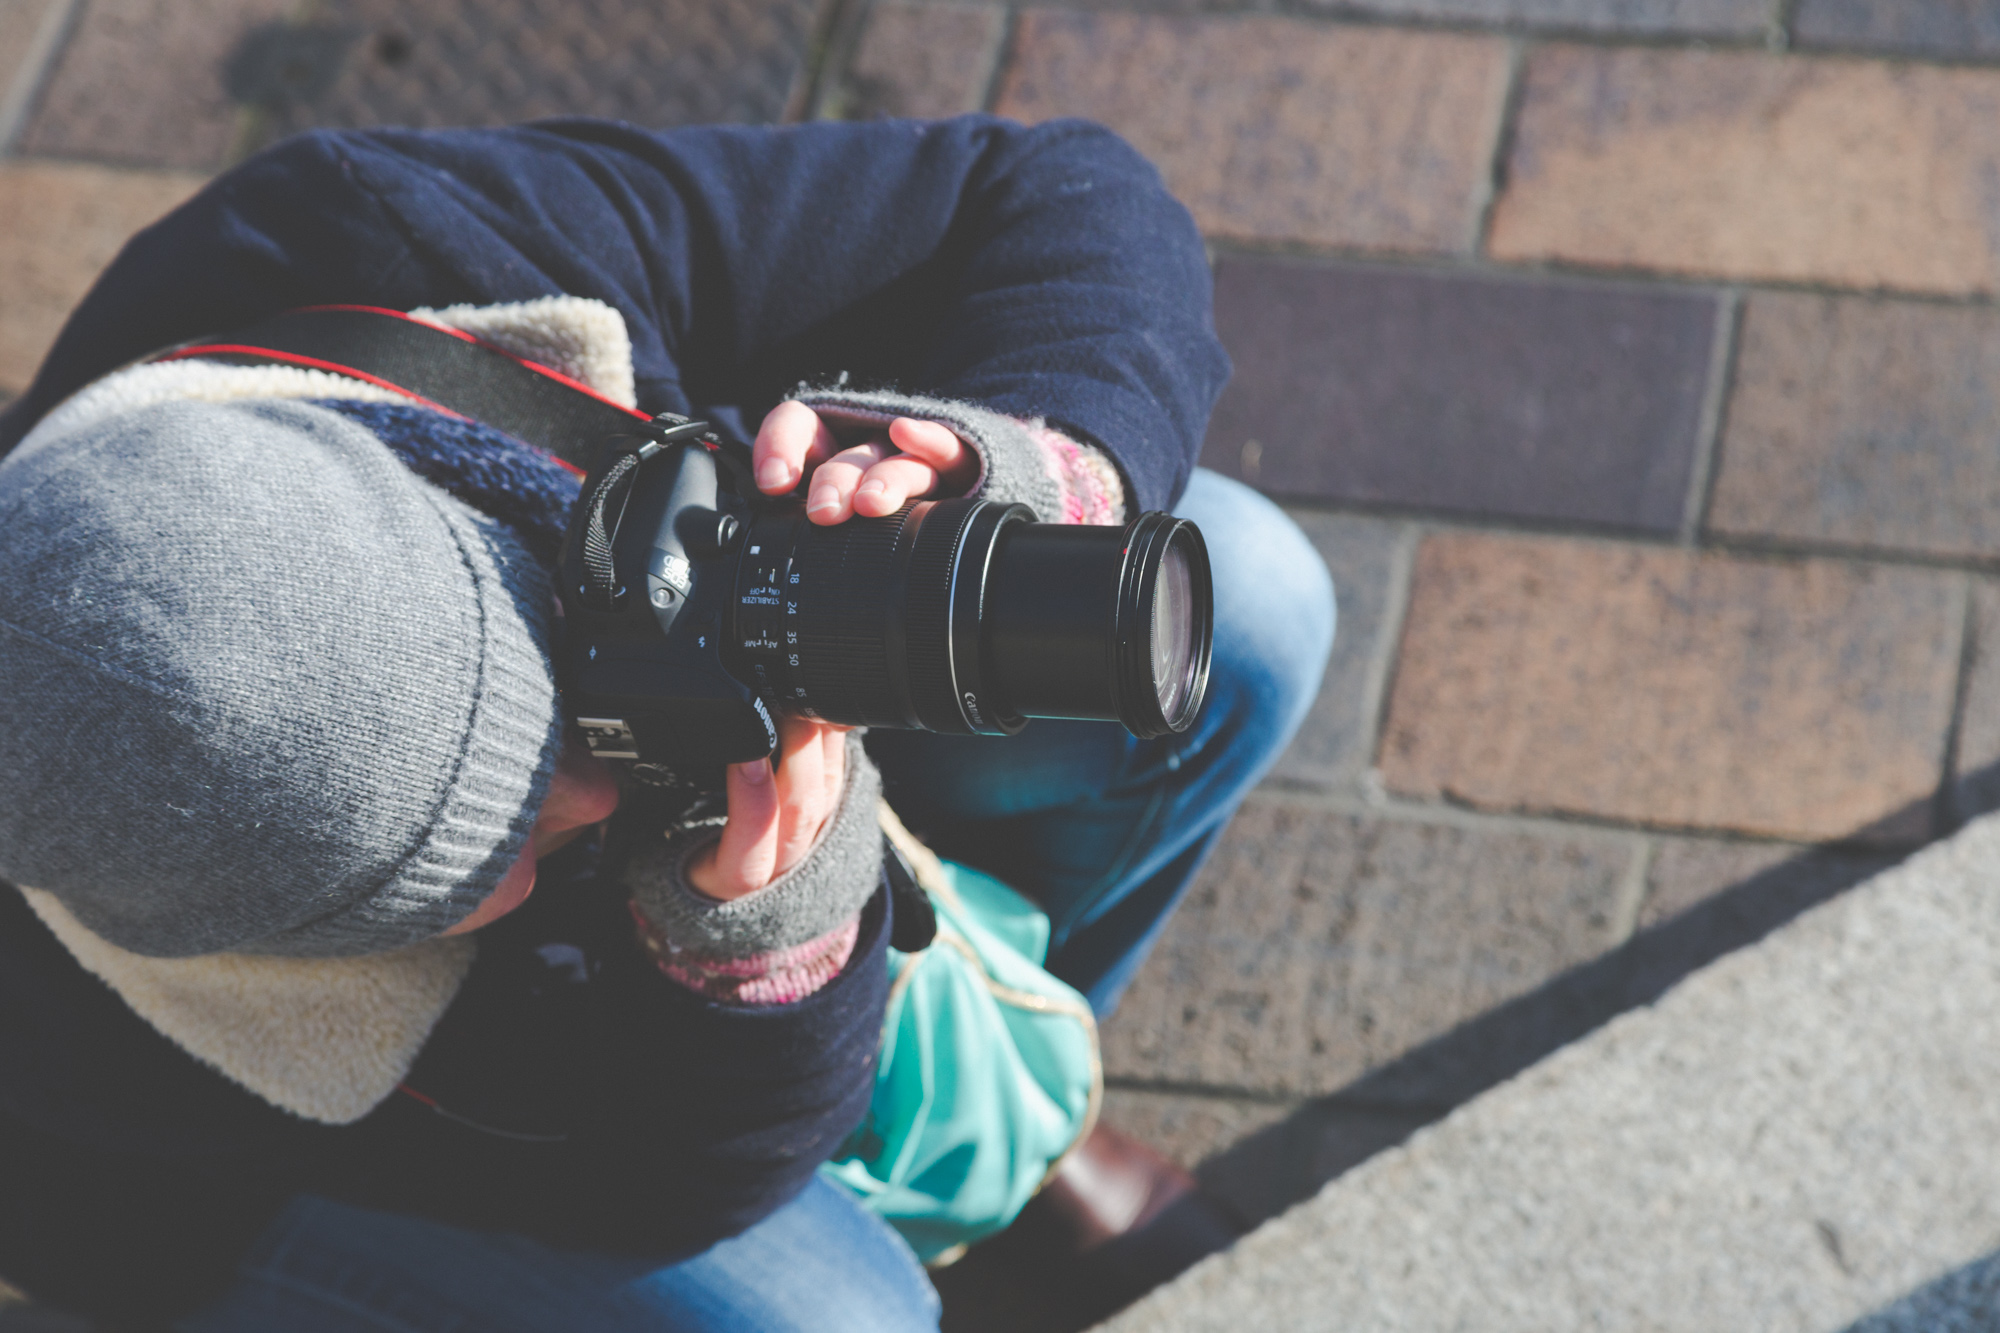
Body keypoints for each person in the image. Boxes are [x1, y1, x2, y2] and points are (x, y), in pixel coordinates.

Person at [0, 114, 1333, 1331]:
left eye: (562, 699)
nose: (601, 790)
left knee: (1249, 597)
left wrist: (1031, 473)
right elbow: (659, 1179)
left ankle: (995, 1098)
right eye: (482, 847)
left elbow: (1051, 189)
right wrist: (761, 938)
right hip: (263, 1175)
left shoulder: (359, 237)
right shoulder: (110, 1021)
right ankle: (919, 1137)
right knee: (827, 1318)